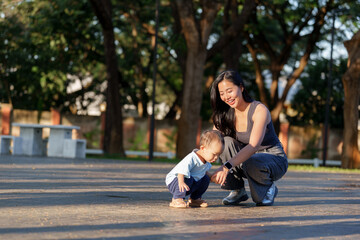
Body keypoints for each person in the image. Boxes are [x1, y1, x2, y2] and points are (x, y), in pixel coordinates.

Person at [210, 70, 288, 206]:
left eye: (229, 91)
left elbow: (253, 146)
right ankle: (237, 190)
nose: (226, 96)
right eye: (222, 93)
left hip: (273, 160)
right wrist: (196, 163)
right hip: (246, 160)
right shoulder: (224, 113)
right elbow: (212, 141)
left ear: (241, 87)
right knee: (223, 142)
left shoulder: (259, 110)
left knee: (259, 200)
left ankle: (267, 186)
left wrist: (226, 166)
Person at [165, 130, 224, 208]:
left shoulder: (206, 161)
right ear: (203, 148)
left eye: (218, 154)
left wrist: (212, 177)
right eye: (214, 154)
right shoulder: (192, 158)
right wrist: (181, 182)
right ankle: (177, 199)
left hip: (189, 182)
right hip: (175, 181)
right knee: (188, 178)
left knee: (205, 179)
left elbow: (203, 172)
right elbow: (181, 171)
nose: (216, 158)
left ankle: (194, 199)